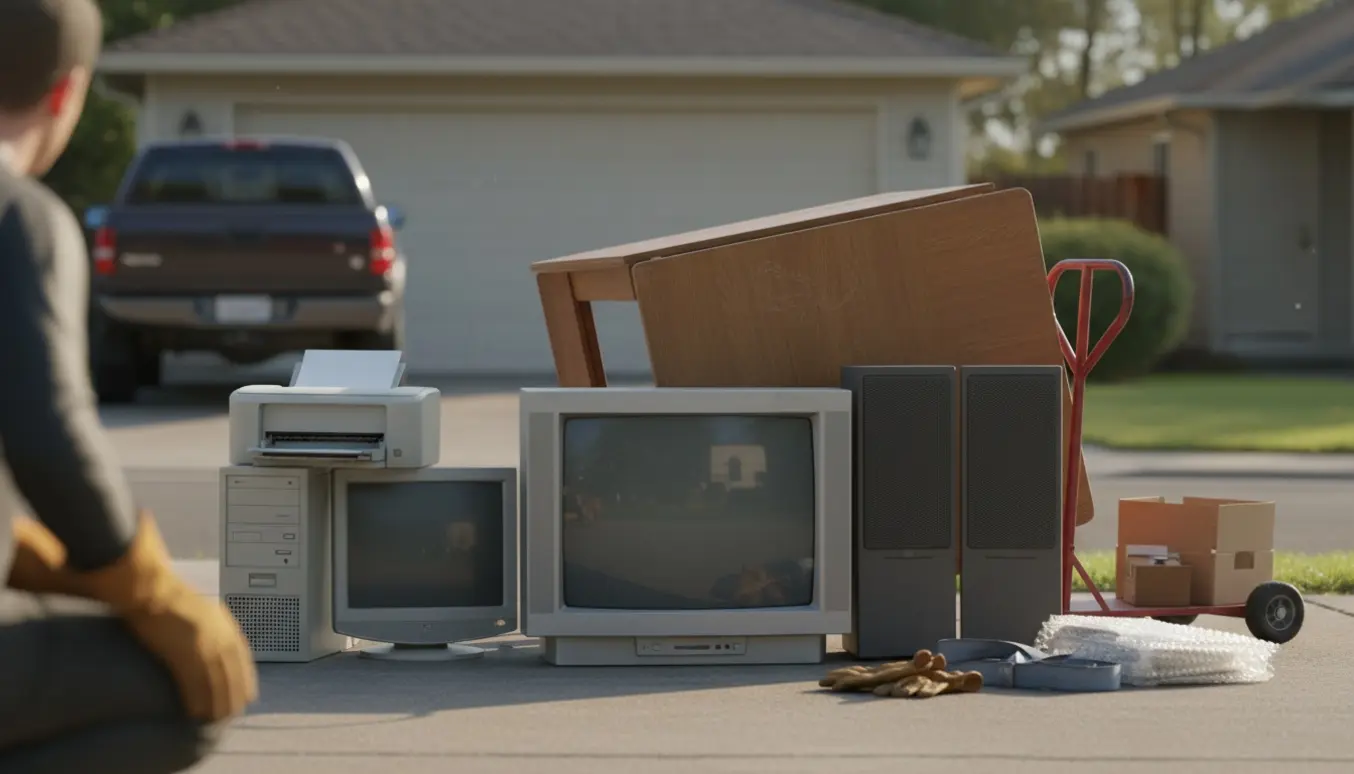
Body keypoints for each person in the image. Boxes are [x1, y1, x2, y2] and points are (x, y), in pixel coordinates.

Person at [0, 0, 259, 771]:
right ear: (65, 92)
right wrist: (150, 589)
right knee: (189, 688)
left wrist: (25, 552)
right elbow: (48, 435)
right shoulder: (19, 214)